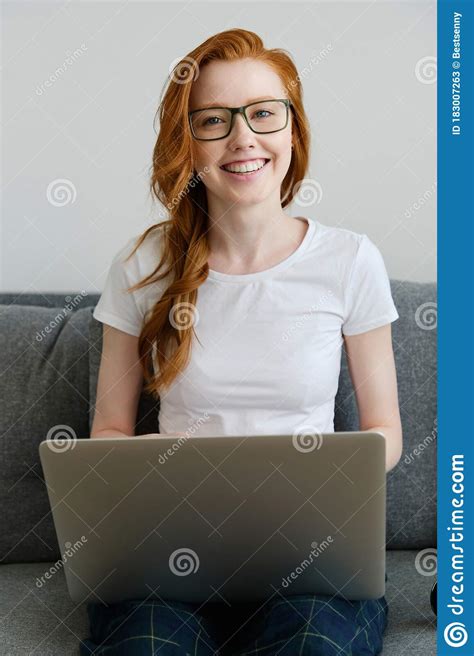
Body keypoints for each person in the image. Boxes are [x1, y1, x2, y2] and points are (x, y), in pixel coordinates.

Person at [80, 27, 402, 656]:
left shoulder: (350, 260)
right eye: (214, 121)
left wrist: (331, 475)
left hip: (310, 558)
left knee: (314, 644)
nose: (243, 137)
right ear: (187, 145)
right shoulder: (143, 264)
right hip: (168, 555)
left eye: (262, 113)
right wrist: (148, 462)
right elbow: (108, 434)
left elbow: (385, 430)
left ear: (292, 131)